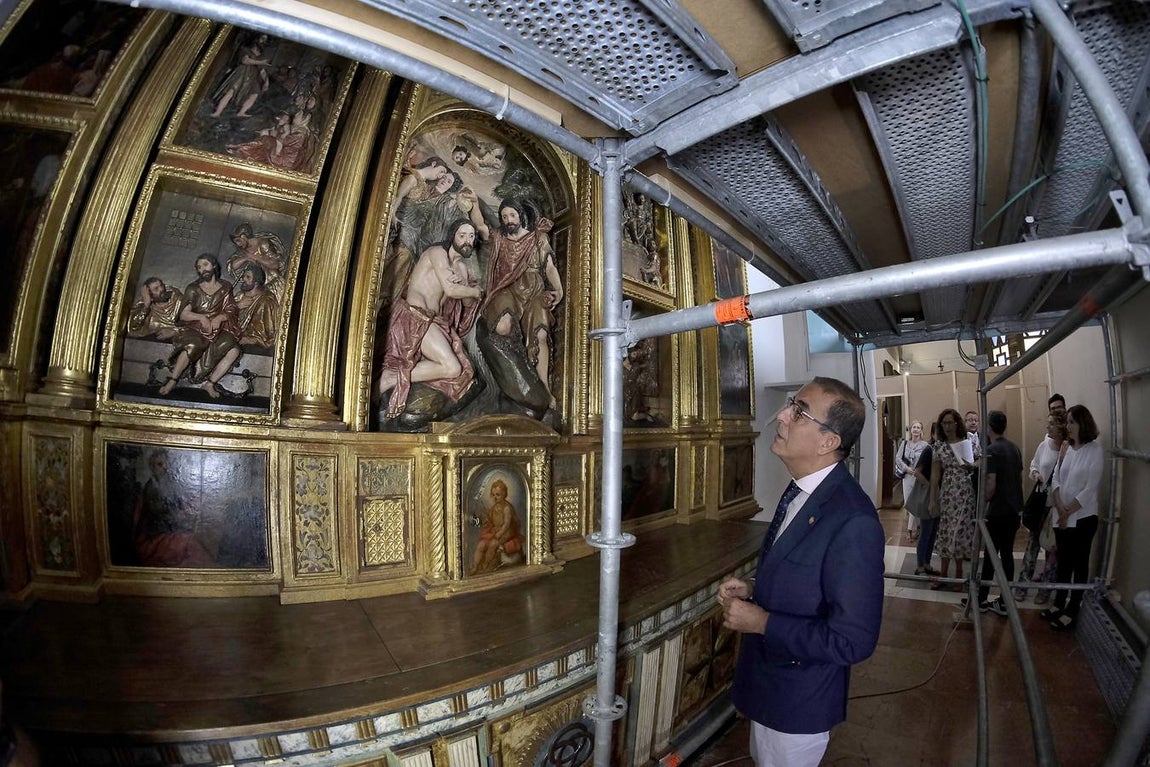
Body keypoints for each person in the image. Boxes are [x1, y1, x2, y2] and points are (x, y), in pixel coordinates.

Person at [718, 377, 884, 767]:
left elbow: (852, 641)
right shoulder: (801, 491)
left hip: (800, 697)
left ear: (829, 442)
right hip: (771, 684)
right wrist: (756, 588)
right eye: (792, 404)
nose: (783, 414)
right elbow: (812, 580)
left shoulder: (853, 521)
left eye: (800, 411)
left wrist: (761, 622)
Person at [377, 220, 483, 418]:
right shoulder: (437, 253)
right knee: (452, 367)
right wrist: (474, 291)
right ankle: (390, 379)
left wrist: (469, 290)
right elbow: (451, 289)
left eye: (471, 236)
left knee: (461, 372)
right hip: (414, 317)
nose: (467, 241)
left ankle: (396, 377)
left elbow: (467, 303)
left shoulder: (460, 267)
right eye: (462, 235)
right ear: (453, 235)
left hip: (432, 322)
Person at [479, 198, 564, 409]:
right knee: (503, 326)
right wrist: (473, 205)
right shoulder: (499, 237)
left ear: (520, 215)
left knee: (541, 335)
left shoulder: (537, 237)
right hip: (507, 288)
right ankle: (518, 368)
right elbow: (480, 227)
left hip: (534, 290)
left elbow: (550, 267)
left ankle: (544, 388)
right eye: (504, 217)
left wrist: (559, 290)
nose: (509, 220)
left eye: (512, 215)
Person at [1044, 404, 1105, 630]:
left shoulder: (1094, 450)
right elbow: (1057, 477)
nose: (1067, 426)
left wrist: (1067, 511)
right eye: (1067, 422)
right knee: (1063, 564)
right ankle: (1059, 603)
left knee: (1079, 565)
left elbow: (1090, 488)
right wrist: (1060, 507)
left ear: (1083, 424)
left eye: (1072, 422)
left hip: (1083, 518)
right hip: (1062, 516)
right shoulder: (1068, 448)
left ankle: (1073, 609)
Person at [159, 253, 243, 399]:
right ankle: (173, 380)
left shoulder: (225, 287)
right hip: (195, 327)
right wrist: (201, 317)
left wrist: (220, 317)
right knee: (192, 345)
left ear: (214, 266)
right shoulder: (193, 288)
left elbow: (231, 309)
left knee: (234, 350)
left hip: (217, 329)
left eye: (205, 265)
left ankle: (210, 384)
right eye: (199, 267)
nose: (202, 269)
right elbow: (184, 314)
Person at [973, 411, 1023, 614]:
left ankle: (982, 599)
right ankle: (1005, 600)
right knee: (1007, 555)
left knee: (991, 555)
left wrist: (982, 497)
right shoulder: (1014, 448)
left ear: (989, 427)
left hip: (998, 510)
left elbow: (991, 485)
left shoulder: (992, 450)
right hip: (1013, 509)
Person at [1016, 411, 1067, 603]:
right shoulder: (1044, 444)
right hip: (1040, 505)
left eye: (1052, 424)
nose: (1048, 427)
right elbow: (1034, 464)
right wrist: (1036, 473)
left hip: (1056, 507)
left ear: (1062, 427)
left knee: (1052, 550)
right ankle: (1022, 585)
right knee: (1032, 546)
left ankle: (1045, 590)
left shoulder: (1068, 449)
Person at [132, 450, 214, 568]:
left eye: (162, 464)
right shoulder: (150, 488)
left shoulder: (170, 483)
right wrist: (177, 515)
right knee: (187, 541)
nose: (160, 468)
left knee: (197, 538)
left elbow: (179, 501)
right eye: (156, 465)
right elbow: (156, 511)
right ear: (151, 467)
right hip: (157, 529)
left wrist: (187, 508)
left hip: (171, 523)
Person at [928, 408, 975, 591]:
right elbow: (934, 476)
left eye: (950, 422)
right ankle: (944, 573)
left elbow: (980, 460)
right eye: (944, 423)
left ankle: (959, 574)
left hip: (964, 492)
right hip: (948, 492)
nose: (947, 426)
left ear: (956, 423)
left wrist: (973, 465)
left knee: (960, 532)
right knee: (946, 531)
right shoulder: (939, 446)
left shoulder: (968, 441)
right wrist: (932, 499)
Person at [470, 479, 524, 575]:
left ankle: (487, 564)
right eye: (493, 495)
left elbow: (507, 524)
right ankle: (475, 566)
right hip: (495, 531)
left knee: (493, 544)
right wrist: (486, 519)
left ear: (504, 495)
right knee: (481, 544)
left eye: (498, 495)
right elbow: (490, 521)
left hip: (506, 532)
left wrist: (499, 533)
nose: (495, 497)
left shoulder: (507, 508)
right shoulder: (494, 507)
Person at [911, 425, 939, 576]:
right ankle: (920, 564)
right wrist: (929, 486)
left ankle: (927, 563)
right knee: (926, 531)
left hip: (938, 495)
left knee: (933, 532)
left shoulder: (941, 450)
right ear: (933, 434)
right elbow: (917, 472)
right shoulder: (929, 450)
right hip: (928, 495)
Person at [894, 420, 927, 541]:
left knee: (917, 502)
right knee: (909, 503)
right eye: (914, 427)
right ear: (911, 429)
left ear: (921, 430)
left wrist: (919, 470)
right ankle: (915, 527)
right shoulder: (905, 443)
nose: (916, 429)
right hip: (907, 476)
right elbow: (898, 458)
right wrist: (906, 468)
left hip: (918, 477)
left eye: (918, 427)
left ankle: (911, 530)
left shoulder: (925, 445)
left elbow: (927, 460)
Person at [234, 263, 280, 348]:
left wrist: (253, 339)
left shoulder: (266, 300)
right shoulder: (239, 296)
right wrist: (237, 306)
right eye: (244, 276)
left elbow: (270, 330)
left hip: (255, 342)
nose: (243, 279)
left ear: (256, 281)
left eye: (248, 277)